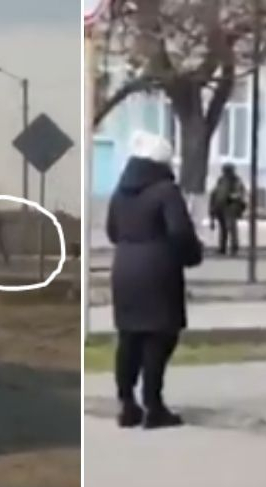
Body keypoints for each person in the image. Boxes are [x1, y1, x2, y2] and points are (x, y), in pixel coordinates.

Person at [106, 130, 204, 429]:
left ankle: (126, 404)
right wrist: (192, 254)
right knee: (159, 337)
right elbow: (180, 232)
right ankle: (154, 406)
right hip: (158, 271)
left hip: (124, 269)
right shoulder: (165, 191)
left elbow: (112, 231)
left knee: (129, 337)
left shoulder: (120, 192)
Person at [209, 163, 247, 256]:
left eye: (227, 170)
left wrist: (230, 198)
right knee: (224, 229)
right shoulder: (221, 180)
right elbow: (216, 192)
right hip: (221, 207)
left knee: (230, 227)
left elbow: (240, 194)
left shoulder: (235, 180)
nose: (225, 172)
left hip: (230, 207)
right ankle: (223, 248)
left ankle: (233, 247)